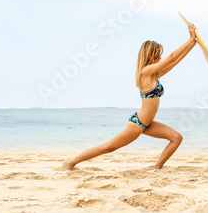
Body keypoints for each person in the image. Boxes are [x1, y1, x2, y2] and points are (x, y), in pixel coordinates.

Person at [62, 22, 197, 170]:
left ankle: (156, 168)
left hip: (148, 124)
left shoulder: (154, 74)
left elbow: (175, 61)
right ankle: (71, 162)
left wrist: (193, 44)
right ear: (151, 55)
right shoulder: (145, 72)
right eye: (158, 55)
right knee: (108, 148)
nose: (160, 58)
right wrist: (190, 39)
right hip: (138, 123)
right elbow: (171, 57)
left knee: (176, 138)